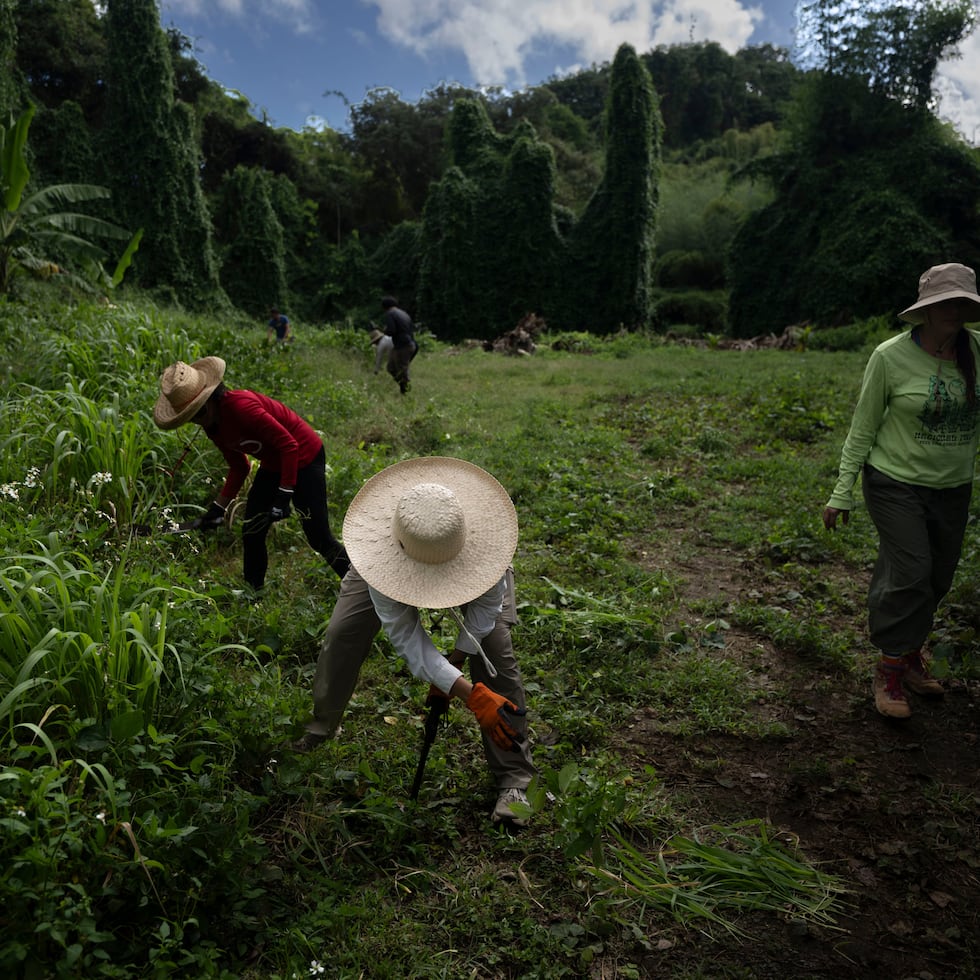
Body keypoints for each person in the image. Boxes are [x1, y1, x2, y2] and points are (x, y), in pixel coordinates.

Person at [291, 456, 536, 827]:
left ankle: (514, 780)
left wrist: (454, 668)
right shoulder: (382, 560)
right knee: (343, 634)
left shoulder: (489, 553)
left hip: (463, 551)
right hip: (393, 552)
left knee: (495, 654)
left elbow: (483, 617)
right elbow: (408, 639)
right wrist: (467, 693)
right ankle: (320, 726)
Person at [823, 262, 980, 719]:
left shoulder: (976, 351)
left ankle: (910, 655)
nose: (956, 310)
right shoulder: (889, 357)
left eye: (963, 303)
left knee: (937, 579)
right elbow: (862, 427)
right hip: (893, 482)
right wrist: (841, 489)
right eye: (947, 302)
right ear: (926, 311)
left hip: (952, 488)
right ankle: (889, 669)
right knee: (912, 573)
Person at [153, 356, 350, 590]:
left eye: (199, 412)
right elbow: (239, 466)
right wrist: (218, 508)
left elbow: (289, 445)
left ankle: (361, 590)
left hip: (304, 456)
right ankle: (252, 595)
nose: (198, 421)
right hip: (273, 463)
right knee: (252, 532)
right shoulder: (212, 426)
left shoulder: (241, 407)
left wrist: (284, 494)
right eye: (191, 417)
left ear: (212, 398)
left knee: (318, 537)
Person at [381, 296, 418, 394]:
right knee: (391, 368)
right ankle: (403, 387)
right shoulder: (404, 313)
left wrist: (384, 331)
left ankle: (405, 391)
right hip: (409, 344)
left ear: (385, 307)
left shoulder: (390, 314)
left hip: (403, 346)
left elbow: (391, 330)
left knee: (401, 369)